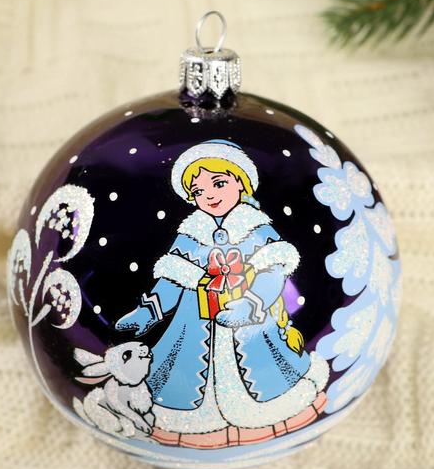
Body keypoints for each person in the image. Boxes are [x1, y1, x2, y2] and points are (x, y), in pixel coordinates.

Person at [115, 139, 328, 448]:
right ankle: (203, 423)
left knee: (258, 370)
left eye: (218, 183)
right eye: (199, 191)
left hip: (252, 323)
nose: (210, 196)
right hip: (195, 322)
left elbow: (273, 273)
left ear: (240, 182)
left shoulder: (256, 229)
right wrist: (149, 311)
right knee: (194, 372)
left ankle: (260, 415)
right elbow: (173, 277)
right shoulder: (191, 234)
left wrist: (252, 304)